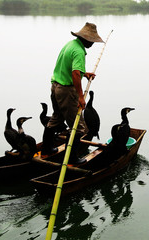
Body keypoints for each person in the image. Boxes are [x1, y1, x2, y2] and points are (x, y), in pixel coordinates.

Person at [41, 22, 104, 164]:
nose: (92, 44)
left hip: (55, 86)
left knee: (56, 118)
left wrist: (84, 73)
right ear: (86, 39)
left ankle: (46, 150)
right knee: (79, 128)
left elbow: (73, 69)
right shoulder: (79, 51)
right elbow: (75, 74)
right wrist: (81, 96)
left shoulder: (70, 45)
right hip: (66, 91)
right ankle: (72, 159)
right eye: (92, 41)